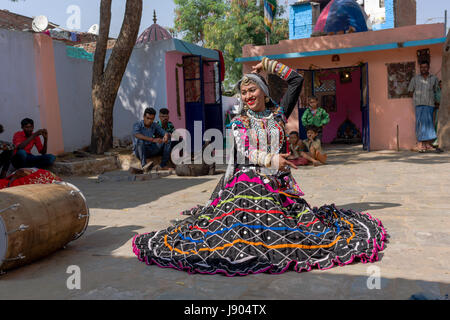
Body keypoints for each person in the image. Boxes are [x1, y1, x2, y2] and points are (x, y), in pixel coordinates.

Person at [132, 57, 386, 276]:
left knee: (296, 225)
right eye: (244, 93)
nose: (248, 96)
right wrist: (270, 160)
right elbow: (244, 150)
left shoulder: (279, 114)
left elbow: (296, 80)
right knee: (245, 208)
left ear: (264, 91)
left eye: (253, 90)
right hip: (246, 177)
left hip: (278, 181)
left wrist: (268, 64)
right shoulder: (240, 120)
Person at [408, 61, 440, 152]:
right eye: (422, 67)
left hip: (430, 104)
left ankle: (426, 144)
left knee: (428, 124)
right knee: (420, 124)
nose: (423, 69)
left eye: (425, 67)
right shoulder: (415, 79)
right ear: (420, 68)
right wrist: (417, 97)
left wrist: (436, 101)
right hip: (419, 105)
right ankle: (421, 144)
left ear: (428, 68)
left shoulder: (434, 78)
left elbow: (437, 91)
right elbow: (410, 90)